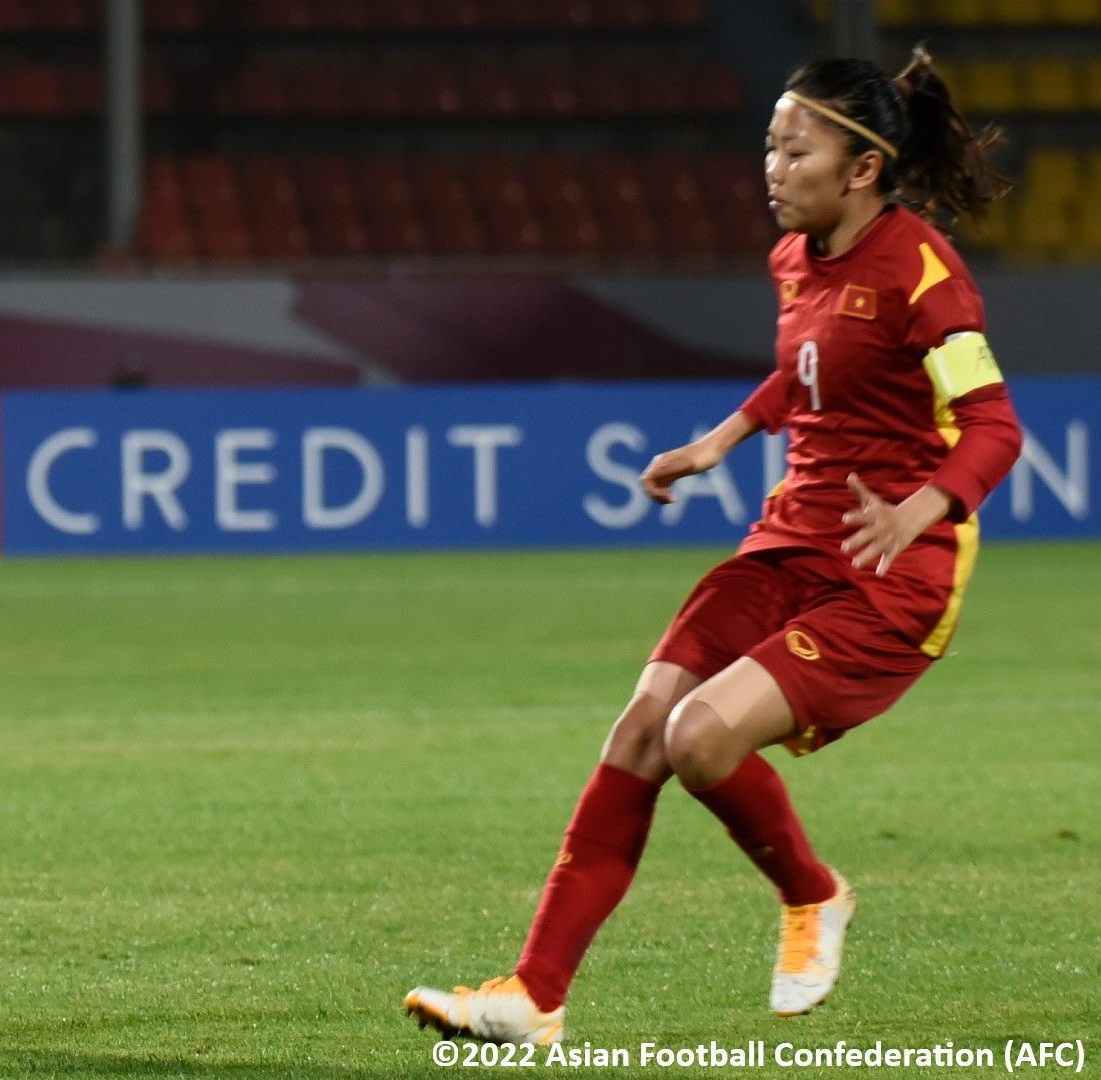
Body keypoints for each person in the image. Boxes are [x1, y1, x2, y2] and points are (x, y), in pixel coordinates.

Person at [405, 48, 1023, 1044]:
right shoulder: (795, 260)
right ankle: (533, 997)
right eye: (769, 146)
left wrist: (919, 510)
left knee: (700, 738)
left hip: (886, 574)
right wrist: (723, 439)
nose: (772, 168)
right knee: (641, 731)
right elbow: (808, 367)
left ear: (863, 167)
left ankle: (813, 894)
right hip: (787, 542)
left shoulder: (924, 274)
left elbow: (994, 426)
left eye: (796, 150)